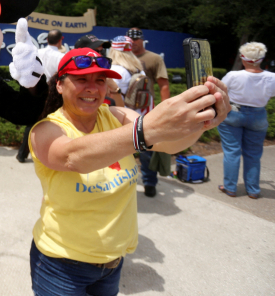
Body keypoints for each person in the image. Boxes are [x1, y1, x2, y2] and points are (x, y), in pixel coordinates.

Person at [27, 47, 230, 296]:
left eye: (100, 80)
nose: (92, 87)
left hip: (112, 263)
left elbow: (168, 144)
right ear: (59, 85)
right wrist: (146, 129)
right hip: (60, 265)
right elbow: (73, 157)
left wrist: (204, 121)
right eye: (81, 79)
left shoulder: (118, 115)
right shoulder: (46, 130)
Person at [218, 42, 275, 199]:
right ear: (261, 59)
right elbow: (270, 95)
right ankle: (253, 190)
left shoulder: (233, 75)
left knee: (232, 152)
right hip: (258, 115)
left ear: (244, 59)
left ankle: (230, 187)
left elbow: (221, 92)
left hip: (234, 114)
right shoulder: (272, 78)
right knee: (253, 154)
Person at [126, 27, 170, 197]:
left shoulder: (154, 58)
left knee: (146, 149)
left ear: (142, 40)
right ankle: (126, 181)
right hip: (125, 110)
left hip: (146, 112)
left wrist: (165, 111)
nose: (133, 43)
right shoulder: (123, 57)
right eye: (130, 40)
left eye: (136, 39)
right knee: (123, 148)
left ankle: (150, 182)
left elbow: (163, 84)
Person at [17, 29, 65, 162]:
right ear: (61, 40)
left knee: (32, 122)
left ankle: (22, 154)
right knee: (54, 123)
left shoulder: (38, 53)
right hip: (54, 94)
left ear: (47, 40)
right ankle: (48, 154)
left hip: (36, 90)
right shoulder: (61, 57)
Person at [107, 35, 147, 108]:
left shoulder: (114, 69)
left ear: (112, 49)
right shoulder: (139, 70)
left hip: (119, 113)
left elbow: (109, 95)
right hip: (138, 112)